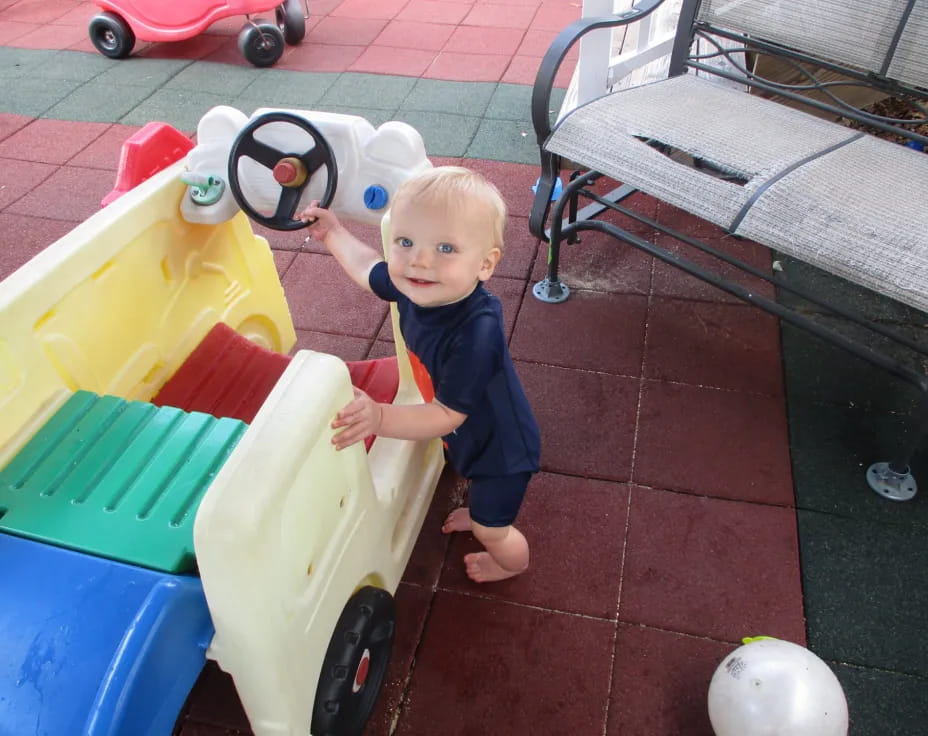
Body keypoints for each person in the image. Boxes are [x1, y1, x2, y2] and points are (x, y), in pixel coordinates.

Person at [299, 166, 540, 583]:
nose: (420, 259)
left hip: (502, 451)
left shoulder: (476, 332)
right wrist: (333, 232)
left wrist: (379, 418)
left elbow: (446, 415)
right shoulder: (413, 282)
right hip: (470, 435)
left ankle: (510, 561)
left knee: (491, 527)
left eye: (446, 248)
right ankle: (482, 507)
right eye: (405, 242)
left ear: (485, 265)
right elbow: (367, 267)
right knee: (472, 485)